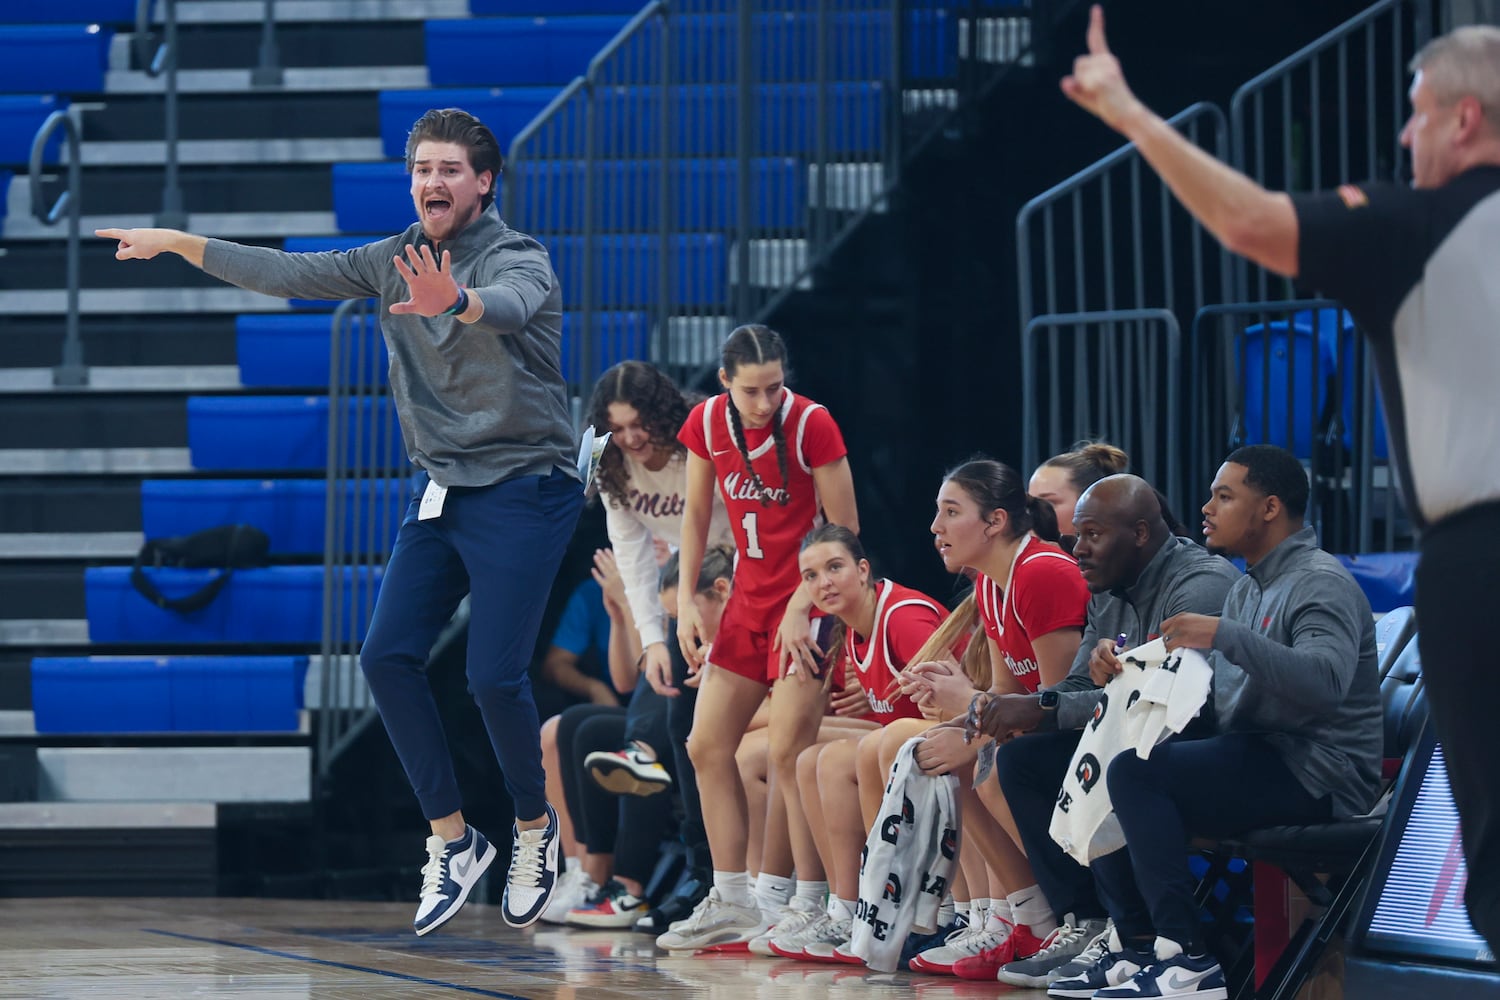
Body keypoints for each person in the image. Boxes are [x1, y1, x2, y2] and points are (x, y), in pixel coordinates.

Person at [1061, 8, 1500, 949]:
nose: (1403, 135)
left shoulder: (1420, 223)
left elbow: (1245, 219)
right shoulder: (1251, 584)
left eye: (1417, 114)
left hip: (1481, 551)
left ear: (1465, 120)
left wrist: (1131, 112)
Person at [96, 107, 583, 934]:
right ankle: (454, 842)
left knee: (490, 676)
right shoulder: (391, 258)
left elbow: (503, 305)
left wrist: (455, 299)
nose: (433, 181)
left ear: (484, 181)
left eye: (450, 169)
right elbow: (287, 273)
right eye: (422, 168)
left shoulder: (519, 255)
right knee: (384, 655)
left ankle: (535, 831)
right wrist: (179, 242)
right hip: (443, 489)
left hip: (525, 488)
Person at [1033, 447, 1382, 999]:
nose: (1206, 507)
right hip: (1264, 753)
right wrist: (1126, 669)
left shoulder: (1320, 581)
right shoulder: (1248, 587)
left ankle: (1186, 958)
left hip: (1322, 770)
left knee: (1137, 773)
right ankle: (1137, 945)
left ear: (1269, 508)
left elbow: (1326, 684)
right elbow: (1216, 696)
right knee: (1115, 757)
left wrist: (1224, 635)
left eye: (1224, 495)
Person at [976, 474, 1239, 989]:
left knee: (1121, 766)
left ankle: (1163, 945)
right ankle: (1093, 923)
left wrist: (1043, 707)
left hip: (1198, 739)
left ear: (1140, 533)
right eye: (1076, 536)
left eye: (1092, 535)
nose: (1080, 550)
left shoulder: (1199, 584)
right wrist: (1036, 707)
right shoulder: (1107, 590)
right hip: (1137, 738)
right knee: (1021, 761)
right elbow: (1079, 683)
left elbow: (1167, 702)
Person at [654, 324, 859, 953]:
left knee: (786, 754)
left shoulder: (812, 423)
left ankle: (802, 900)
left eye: (774, 387)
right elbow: (692, 516)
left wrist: (804, 601)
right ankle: (733, 897)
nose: (765, 402)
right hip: (744, 599)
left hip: (806, 599)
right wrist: (688, 601)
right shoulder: (708, 424)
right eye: (751, 391)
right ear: (725, 383)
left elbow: (845, 532)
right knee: (704, 745)